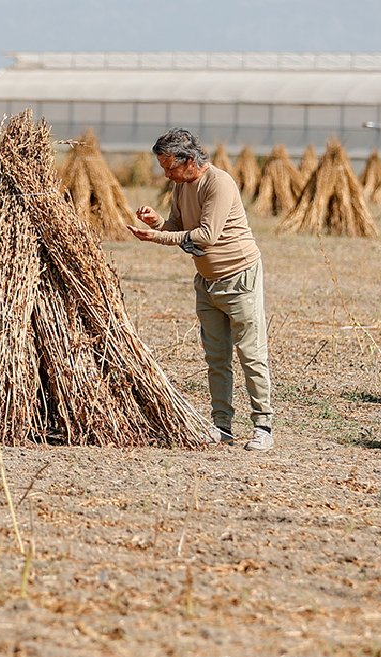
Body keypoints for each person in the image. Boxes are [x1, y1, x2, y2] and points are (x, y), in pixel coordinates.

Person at [128, 128, 273, 451]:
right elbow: (179, 230)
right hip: (207, 280)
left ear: (189, 160)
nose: (166, 173)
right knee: (216, 356)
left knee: (251, 353)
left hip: (239, 277)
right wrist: (157, 223)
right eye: (163, 167)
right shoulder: (181, 187)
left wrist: (158, 238)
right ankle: (222, 425)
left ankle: (263, 425)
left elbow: (205, 235)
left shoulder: (219, 184)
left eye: (170, 166)